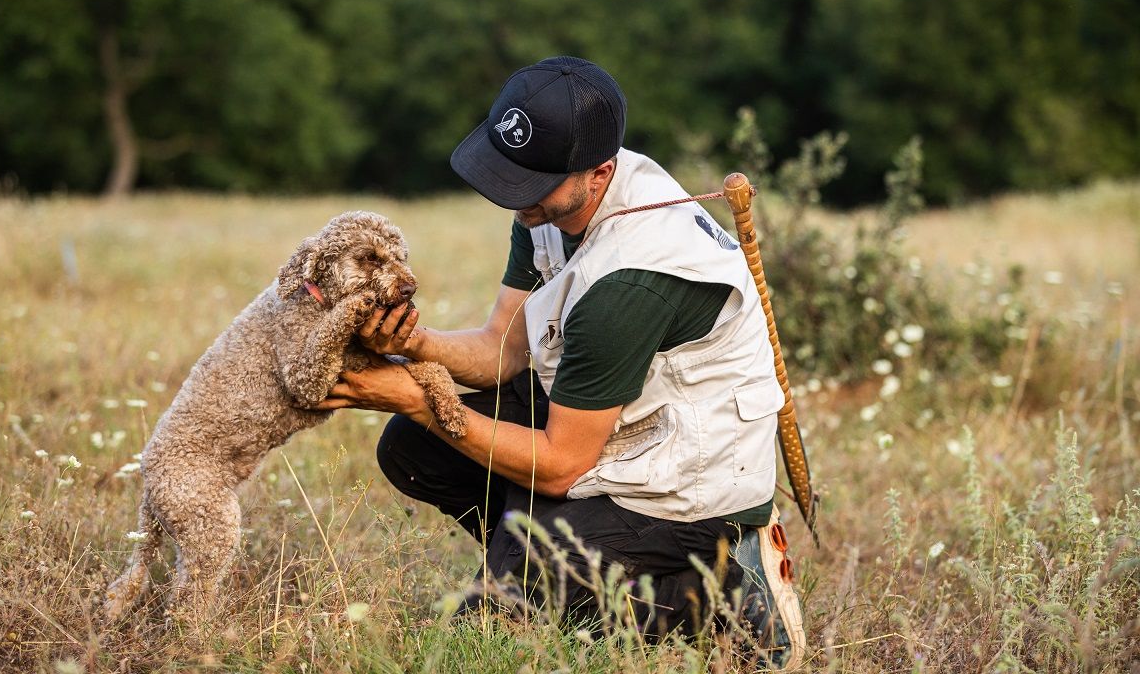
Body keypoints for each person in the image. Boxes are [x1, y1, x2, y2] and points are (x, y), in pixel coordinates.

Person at [317, 56, 805, 668]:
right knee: (413, 449)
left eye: (529, 180)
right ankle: (552, 561)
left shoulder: (632, 280)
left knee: (489, 622)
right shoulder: (550, 202)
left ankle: (712, 594)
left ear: (600, 171)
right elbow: (504, 348)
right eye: (506, 171)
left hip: (687, 487)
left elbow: (558, 466)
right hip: (611, 422)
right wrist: (414, 345)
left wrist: (419, 396)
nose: (510, 195)